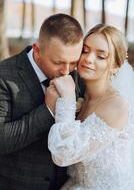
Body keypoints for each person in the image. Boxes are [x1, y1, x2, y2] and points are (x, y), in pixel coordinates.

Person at [0, 13, 83, 190]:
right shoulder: (4, 76)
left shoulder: (79, 75)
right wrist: (47, 110)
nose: (66, 71)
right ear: (37, 50)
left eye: (73, 62)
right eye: (58, 62)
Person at [47, 24, 134, 190]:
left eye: (101, 56)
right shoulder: (84, 96)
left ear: (116, 66)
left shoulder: (117, 106)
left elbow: (63, 154)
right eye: (85, 51)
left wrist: (67, 99)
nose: (88, 59)